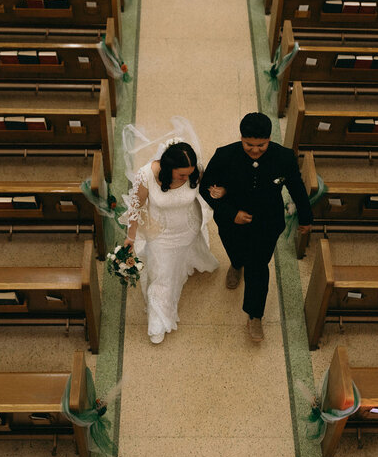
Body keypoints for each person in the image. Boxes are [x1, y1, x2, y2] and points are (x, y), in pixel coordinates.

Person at [200, 112, 312, 342]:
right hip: (231, 222)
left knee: (259, 267)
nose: (254, 150)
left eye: (261, 145)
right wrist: (231, 213)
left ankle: (255, 316)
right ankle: (235, 264)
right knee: (235, 251)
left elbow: (297, 189)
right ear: (241, 138)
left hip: (267, 223)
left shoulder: (284, 157)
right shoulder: (224, 155)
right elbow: (205, 188)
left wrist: (306, 218)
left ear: (269, 139)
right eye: (249, 144)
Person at [119, 138, 219, 344]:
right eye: (181, 174)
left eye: (189, 174)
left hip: (189, 227)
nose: (186, 178)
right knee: (161, 275)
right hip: (161, 235)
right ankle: (157, 321)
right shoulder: (146, 176)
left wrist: (217, 192)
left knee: (183, 257)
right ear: (167, 168)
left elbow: (206, 187)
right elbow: (136, 208)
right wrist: (131, 237)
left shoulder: (193, 172)